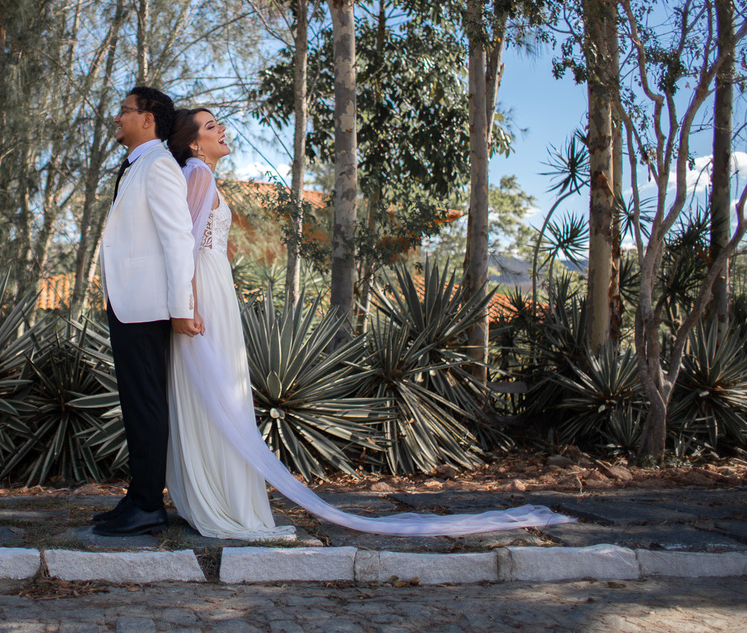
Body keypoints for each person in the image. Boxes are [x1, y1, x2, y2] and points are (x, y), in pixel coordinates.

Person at [163, 107, 575, 539]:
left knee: (214, 390)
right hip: (203, 290)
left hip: (213, 286)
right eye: (211, 127)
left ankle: (216, 494)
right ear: (193, 143)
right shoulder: (199, 174)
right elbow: (185, 244)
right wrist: (187, 305)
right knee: (213, 389)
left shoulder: (202, 174)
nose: (222, 130)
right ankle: (219, 500)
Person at [91, 87, 202, 537]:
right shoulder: (138, 165)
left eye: (125, 111)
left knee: (147, 405)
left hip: (148, 306)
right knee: (136, 406)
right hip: (128, 303)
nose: (117, 118)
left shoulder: (158, 167)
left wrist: (181, 308)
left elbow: (178, 241)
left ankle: (148, 506)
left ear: (149, 119)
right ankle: (139, 497)